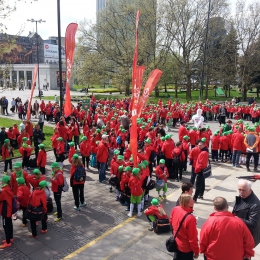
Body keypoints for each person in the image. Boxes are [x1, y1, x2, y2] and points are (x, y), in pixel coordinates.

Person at [169, 194, 199, 260]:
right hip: (186, 248)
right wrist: (196, 251)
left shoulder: (175, 209)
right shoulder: (190, 218)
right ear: (186, 203)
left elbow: (171, 222)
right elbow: (192, 238)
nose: (194, 201)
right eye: (192, 200)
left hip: (176, 242)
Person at [232, 179, 260, 247]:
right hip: (239, 234)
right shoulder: (242, 197)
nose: (241, 192)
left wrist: (238, 219)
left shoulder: (256, 205)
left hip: (248, 238)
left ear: (250, 189)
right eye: (239, 189)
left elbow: (253, 224)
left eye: (243, 190)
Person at [0, 175, 14, 248]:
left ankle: (8, 242)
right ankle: (10, 238)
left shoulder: (4, 190)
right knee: (9, 224)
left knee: (5, 226)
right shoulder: (9, 188)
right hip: (9, 209)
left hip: (5, 210)